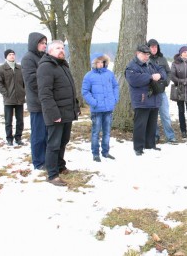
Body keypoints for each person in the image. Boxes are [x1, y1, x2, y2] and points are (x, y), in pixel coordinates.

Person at [37, 40, 80, 186]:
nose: (61, 50)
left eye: (62, 47)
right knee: (53, 144)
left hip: (67, 111)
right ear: (49, 51)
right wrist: (54, 114)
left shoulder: (63, 65)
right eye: (57, 48)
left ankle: (60, 166)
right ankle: (52, 174)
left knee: (63, 141)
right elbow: (45, 94)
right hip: (56, 113)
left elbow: (70, 89)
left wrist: (75, 106)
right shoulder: (46, 67)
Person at [125, 44, 167, 156]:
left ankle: (150, 144)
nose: (146, 56)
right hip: (142, 100)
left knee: (152, 124)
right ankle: (138, 148)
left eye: (148, 54)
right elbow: (134, 79)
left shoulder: (151, 64)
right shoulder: (132, 66)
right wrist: (151, 77)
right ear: (137, 53)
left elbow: (163, 72)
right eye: (144, 54)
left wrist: (159, 75)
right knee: (140, 125)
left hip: (154, 99)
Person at [82, 52, 119, 162]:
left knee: (107, 132)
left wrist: (114, 99)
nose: (100, 64)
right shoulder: (89, 76)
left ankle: (105, 152)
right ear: (94, 63)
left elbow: (115, 86)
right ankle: (95, 154)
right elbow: (85, 92)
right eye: (98, 62)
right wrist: (94, 102)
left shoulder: (109, 74)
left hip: (108, 109)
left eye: (102, 61)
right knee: (96, 132)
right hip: (97, 110)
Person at [21, 32, 48, 170]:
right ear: (34, 43)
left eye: (45, 43)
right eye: (41, 43)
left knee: (48, 134)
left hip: (47, 102)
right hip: (37, 103)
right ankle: (38, 162)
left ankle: (47, 159)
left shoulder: (44, 57)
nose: (44, 45)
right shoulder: (28, 59)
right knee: (39, 134)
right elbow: (32, 81)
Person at [147, 39, 176, 143]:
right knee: (152, 117)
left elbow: (169, 73)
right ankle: (155, 136)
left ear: (157, 47)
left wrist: (166, 82)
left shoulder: (162, 59)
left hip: (161, 92)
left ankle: (170, 137)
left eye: (155, 47)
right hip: (150, 92)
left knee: (165, 115)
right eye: (152, 47)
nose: (154, 48)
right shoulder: (146, 59)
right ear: (148, 47)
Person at [0, 49, 26, 146]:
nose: (12, 56)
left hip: (19, 99)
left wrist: (23, 92)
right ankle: (9, 139)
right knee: (8, 121)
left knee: (20, 120)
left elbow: (25, 82)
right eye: (10, 54)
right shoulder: (1, 69)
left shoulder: (20, 68)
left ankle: (18, 138)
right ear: (6, 56)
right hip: (8, 99)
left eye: (13, 54)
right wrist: (5, 93)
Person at [170, 46, 187, 139]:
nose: (186, 53)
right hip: (179, 90)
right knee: (181, 111)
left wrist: (186, 81)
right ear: (181, 53)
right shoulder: (175, 63)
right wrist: (180, 81)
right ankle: (183, 131)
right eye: (184, 52)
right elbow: (172, 75)